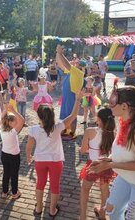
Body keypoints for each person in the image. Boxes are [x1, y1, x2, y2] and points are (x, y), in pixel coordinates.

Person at [88, 86, 135, 220]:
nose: (109, 106)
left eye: (112, 103)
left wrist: (110, 165)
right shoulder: (123, 123)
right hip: (126, 178)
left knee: (132, 217)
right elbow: (122, 152)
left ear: (124, 106)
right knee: (112, 211)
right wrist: (107, 159)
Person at [26, 89, 83, 218]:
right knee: (55, 185)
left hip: (40, 161)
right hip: (56, 161)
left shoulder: (33, 129)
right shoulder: (58, 127)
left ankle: (39, 207)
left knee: (40, 183)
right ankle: (52, 210)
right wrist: (78, 99)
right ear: (52, 115)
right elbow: (73, 116)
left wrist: (29, 156)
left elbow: (29, 147)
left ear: (39, 116)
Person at [79, 107, 116, 220]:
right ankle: (102, 214)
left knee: (85, 189)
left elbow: (83, 150)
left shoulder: (90, 131)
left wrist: (87, 149)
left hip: (93, 165)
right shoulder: (113, 132)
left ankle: (83, 216)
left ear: (99, 120)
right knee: (104, 190)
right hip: (106, 165)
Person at [55, 45, 85, 140]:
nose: (75, 62)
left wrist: (60, 53)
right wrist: (57, 52)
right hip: (67, 95)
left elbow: (67, 64)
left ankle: (72, 133)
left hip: (72, 96)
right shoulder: (72, 72)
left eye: (77, 62)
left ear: (80, 66)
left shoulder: (78, 72)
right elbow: (60, 64)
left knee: (72, 115)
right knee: (65, 114)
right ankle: (66, 131)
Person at [0, 104, 24, 199]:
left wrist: (6, 110)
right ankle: (15, 192)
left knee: (6, 173)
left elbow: (2, 118)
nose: (17, 121)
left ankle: (4, 192)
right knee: (14, 174)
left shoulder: (1, 129)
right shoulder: (13, 132)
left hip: (4, 154)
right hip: (14, 156)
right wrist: (13, 110)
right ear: (9, 122)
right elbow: (22, 120)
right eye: (14, 121)